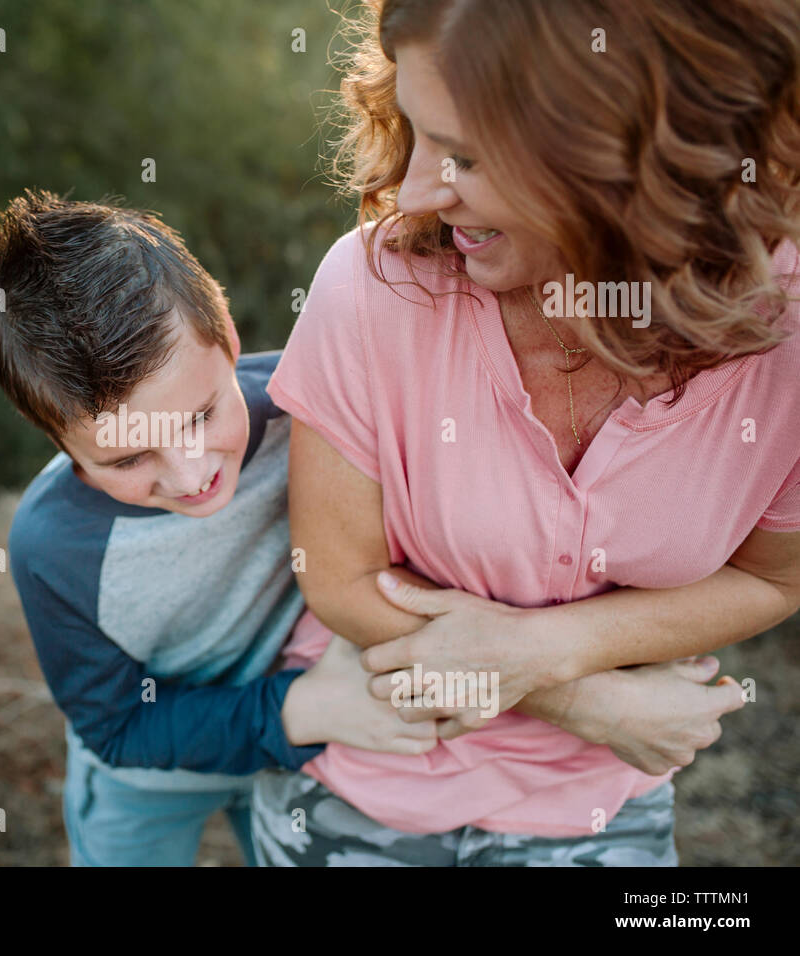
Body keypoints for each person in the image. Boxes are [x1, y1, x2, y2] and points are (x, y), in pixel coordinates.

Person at [252, 0, 800, 866]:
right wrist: (583, 702)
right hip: (373, 767)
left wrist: (549, 649)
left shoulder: (787, 340)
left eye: (466, 155)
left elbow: (773, 581)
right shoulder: (373, 285)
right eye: (420, 134)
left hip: (602, 808)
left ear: (628, 164)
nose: (419, 190)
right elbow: (339, 579)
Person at [0, 189, 438, 866]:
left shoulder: (311, 413)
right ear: (57, 441)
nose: (192, 475)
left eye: (200, 415)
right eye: (129, 457)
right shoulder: (53, 550)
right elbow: (117, 727)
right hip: (157, 775)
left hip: (300, 753)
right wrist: (298, 710)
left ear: (226, 335)